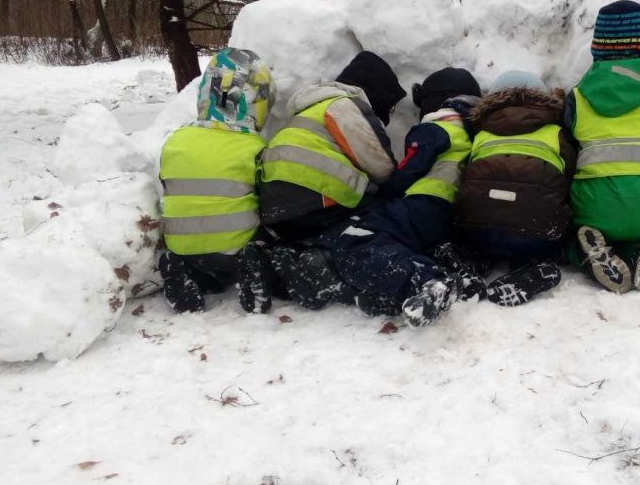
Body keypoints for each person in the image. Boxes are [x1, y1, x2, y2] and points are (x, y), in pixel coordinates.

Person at [331, 67, 484, 326]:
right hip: (460, 216)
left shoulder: (440, 126)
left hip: (426, 203)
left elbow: (407, 172)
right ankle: (458, 279)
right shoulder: (480, 132)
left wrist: (385, 191)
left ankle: (427, 281)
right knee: (408, 244)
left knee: (355, 239)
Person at [257, 51, 405, 309]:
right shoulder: (346, 105)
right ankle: (322, 268)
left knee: (318, 233)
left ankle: (278, 264)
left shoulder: (307, 111)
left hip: (275, 207)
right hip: (316, 199)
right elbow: (381, 167)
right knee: (378, 220)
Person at [564, 0, 640, 294]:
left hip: (594, 207)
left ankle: (590, 257)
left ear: (598, 45)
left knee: (567, 238)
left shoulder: (577, 96)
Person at [158, 48, 279, 314]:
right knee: (269, 246)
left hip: (184, 245)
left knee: (200, 260)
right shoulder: (254, 147)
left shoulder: (176, 140)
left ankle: (182, 269)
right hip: (235, 248)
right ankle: (252, 268)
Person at [453, 70, 575, 307]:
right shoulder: (555, 133)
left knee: (479, 236)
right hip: (535, 230)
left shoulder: (481, 134)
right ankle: (538, 265)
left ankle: (474, 263)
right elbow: (568, 178)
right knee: (544, 232)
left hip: (480, 227)